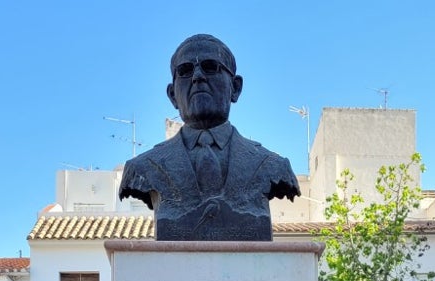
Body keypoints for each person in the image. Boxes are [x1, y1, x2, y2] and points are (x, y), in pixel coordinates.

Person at [118, 34, 299, 241]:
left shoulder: (273, 166)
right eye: (185, 71)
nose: (197, 77)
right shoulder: (141, 168)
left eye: (210, 66)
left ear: (236, 88)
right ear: (172, 95)